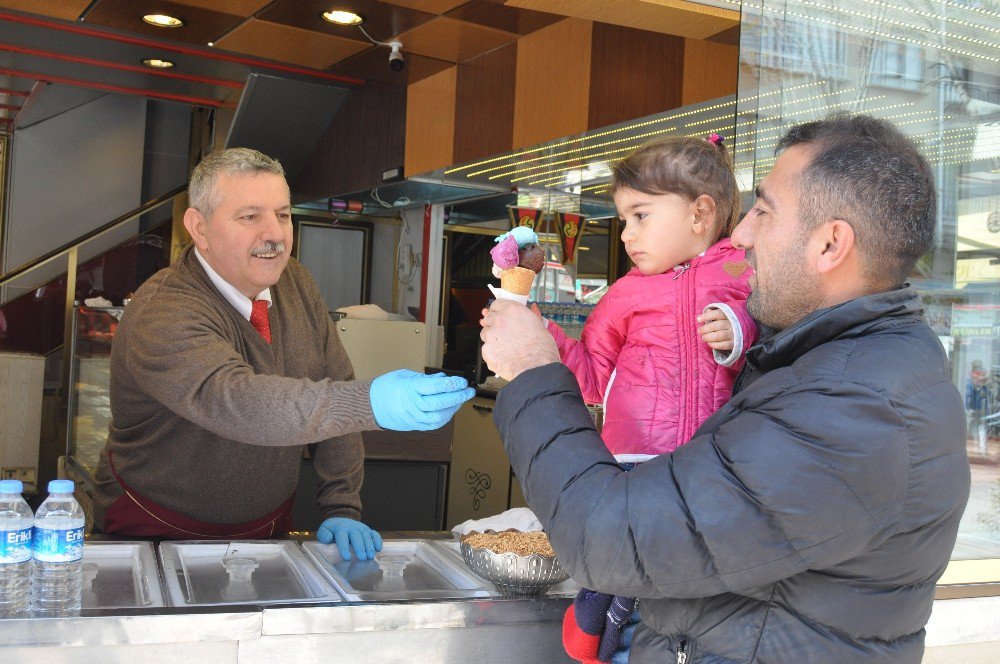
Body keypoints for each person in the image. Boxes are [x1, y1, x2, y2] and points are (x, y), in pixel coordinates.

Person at [480, 114, 971, 662]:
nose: (740, 234)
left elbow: (612, 538)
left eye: (763, 210)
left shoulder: (851, 411)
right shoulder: (838, 368)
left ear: (831, 244)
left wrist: (530, 370)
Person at [92, 148, 474, 561]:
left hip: (267, 531)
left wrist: (342, 504)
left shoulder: (296, 282)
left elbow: (336, 387)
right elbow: (239, 402)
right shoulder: (164, 310)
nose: (274, 234)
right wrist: (373, 402)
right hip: (156, 532)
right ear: (198, 228)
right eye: (250, 216)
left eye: (283, 214)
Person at [548, 135, 756, 664]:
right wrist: (542, 337)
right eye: (623, 220)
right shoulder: (624, 294)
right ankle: (601, 622)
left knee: (687, 574)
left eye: (640, 216)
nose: (627, 235)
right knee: (627, 558)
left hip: (714, 463)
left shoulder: (743, 272)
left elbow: (778, 338)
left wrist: (739, 330)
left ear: (700, 214)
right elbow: (592, 378)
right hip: (635, 455)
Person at [965, 359, 991, 455]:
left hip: (973, 408)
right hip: (981, 408)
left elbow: (969, 395)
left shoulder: (972, 377)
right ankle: (983, 449)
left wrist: (968, 408)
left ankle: (964, 447)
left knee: (968, 428)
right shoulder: (983, 376)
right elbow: (986, 392)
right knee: (981, 428)